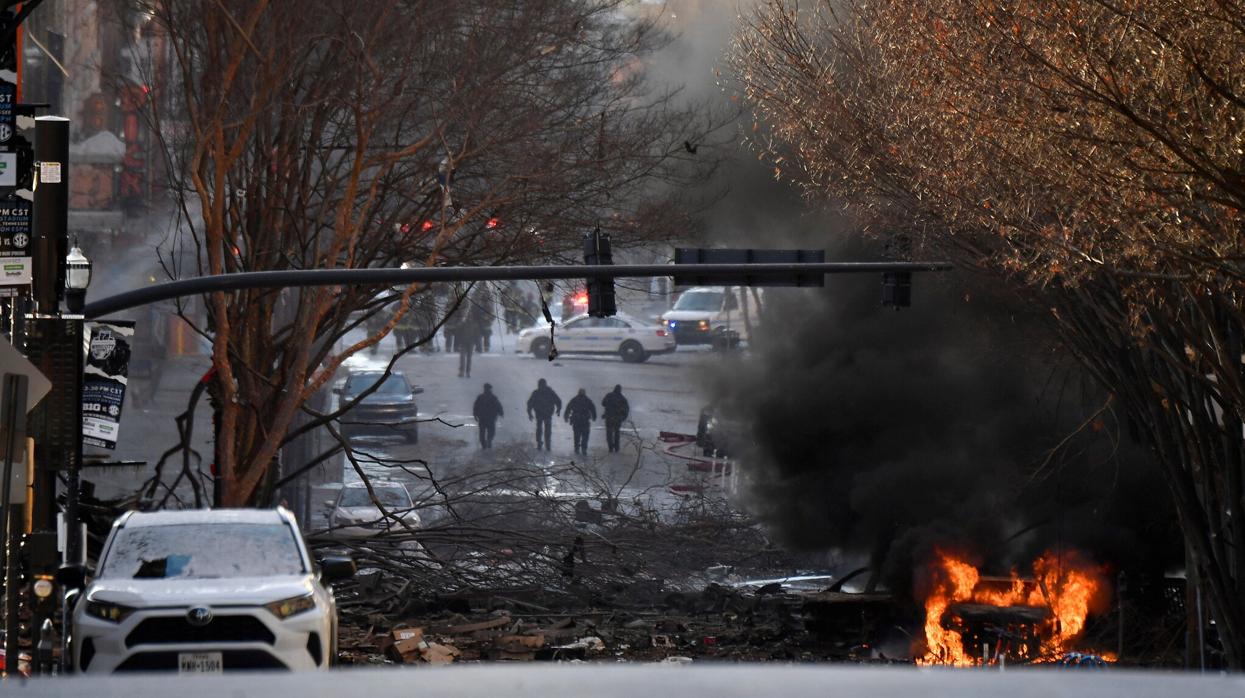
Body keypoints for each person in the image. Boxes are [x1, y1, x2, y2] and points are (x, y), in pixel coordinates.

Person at [526, 378, 562, 451]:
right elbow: (530, 404)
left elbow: (558, 401)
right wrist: (529, 413)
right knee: (542, 429)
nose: (541, 386)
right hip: (542, 413)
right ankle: (542, 443)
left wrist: (558, 409)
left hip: (546, 413)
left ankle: (545, 444)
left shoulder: (547, 392)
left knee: (543, 429)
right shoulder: (538, 393)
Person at [564, 388, 597, 455]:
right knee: (585, 435)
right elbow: (593, 409)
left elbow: (568, 408)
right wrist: (594, 416)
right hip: (584, 421)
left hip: (577, 421)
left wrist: (566, 416)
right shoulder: (587, 400)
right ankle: (583, 448)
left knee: (577, 436)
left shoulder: (574, 400)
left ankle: (577, 448)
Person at [472, 383, 504, 449]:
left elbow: (475, 407)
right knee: (491, 432)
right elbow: (498, 406)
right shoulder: (493, 397)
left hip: (482, 418)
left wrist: (475, 415)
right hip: (490, 419)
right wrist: (501, 413)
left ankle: (484, 444)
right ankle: (489, 441)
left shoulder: (480, 397)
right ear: (490, 389)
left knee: (482, 433)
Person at [601, 384, 630, 453]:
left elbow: (603, 403)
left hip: (609, 418)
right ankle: (616, 448)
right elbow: (626, 409)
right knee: (617, 433)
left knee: (609, 433)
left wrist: (609, 406)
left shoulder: (609, 395)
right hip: (617, 419)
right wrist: (623, 418)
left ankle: (610, 447)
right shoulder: (622, 398)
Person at [456, 313, 481, 378]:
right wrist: (477, 344)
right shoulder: (474, 325)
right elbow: (477, 335)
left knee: (464, 358)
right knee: (467, 358)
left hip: (466, 342)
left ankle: (463, 372)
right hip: (468, 342)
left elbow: (458, 334)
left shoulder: (463, 324)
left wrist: (457, 343)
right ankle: (466, 372)